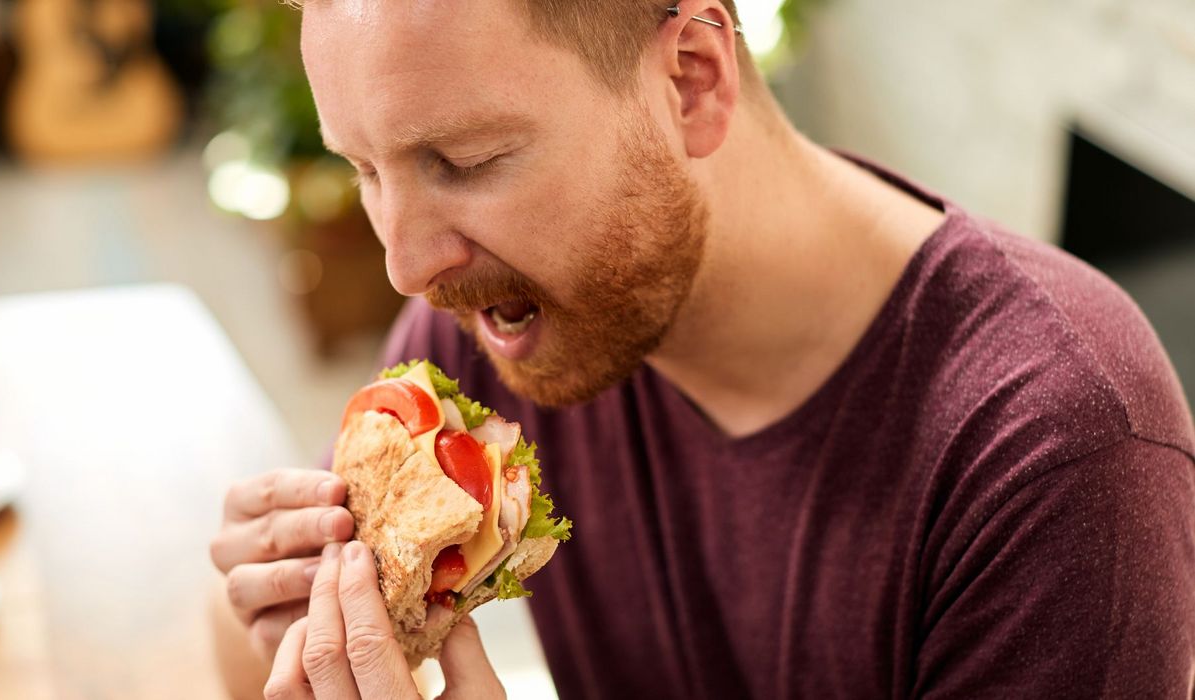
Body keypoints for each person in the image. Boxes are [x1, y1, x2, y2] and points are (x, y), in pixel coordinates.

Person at [210, 0, 1195, 697]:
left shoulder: (1054, 448)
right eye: (366, 168)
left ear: (689, 82)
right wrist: (290, 623)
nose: (406, 263)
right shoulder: (493, 334)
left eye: (464, 163)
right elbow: (231, 656)